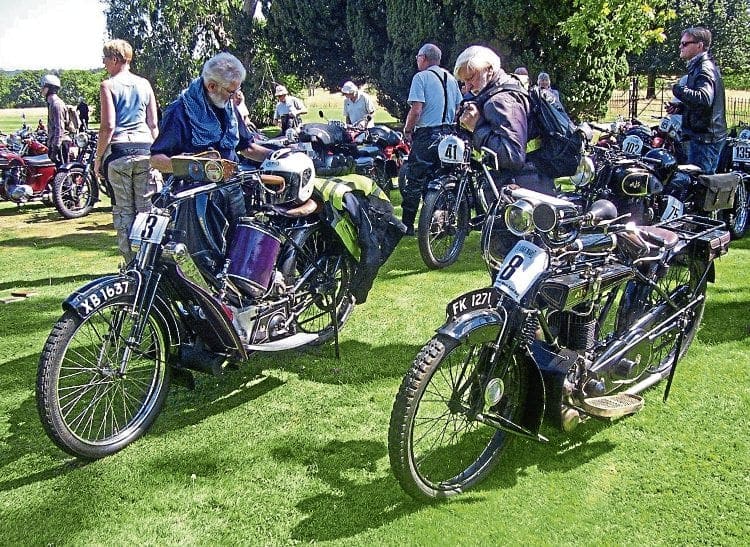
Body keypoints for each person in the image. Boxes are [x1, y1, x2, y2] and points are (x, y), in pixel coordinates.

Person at [150, 52, 272, 230]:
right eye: (231, 92)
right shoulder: (180, 111)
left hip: (232, 189)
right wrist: (192, 166)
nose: (235, 97)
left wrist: (278, 157)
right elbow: (156, 159)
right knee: (201, 257)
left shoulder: (228, 107)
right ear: (212, 86)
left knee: (239, 249)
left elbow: (247, 148)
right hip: (195, 198)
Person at [454, 45, 553, 195]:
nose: (467, 87)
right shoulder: (493, 94)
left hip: (524, 187)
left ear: (489, 70)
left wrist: (476, 127)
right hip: (524, 181)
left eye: (470, 78)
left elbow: (512, 156)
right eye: (463, 82)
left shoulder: (501, 100)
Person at [93, 39, 159, 262]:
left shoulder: (108, 86)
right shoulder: (145, 84)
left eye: (105, 59)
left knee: (123, 211)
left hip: (120, 150)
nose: (103, 64)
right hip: (145, 149)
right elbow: (153, 124)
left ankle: (131, 264)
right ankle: (148, 261)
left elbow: (108, 126)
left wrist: (98, 157)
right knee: (145, 209)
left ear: (114, 59)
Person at [400, 43, 463, 235]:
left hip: (427, 135)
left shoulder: (421, 78)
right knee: (444, 177)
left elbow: (416, 109)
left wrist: (408, 130)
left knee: (415, 179)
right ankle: (442, 220)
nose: (417, 60)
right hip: (449, 134)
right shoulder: (451, 79)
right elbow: (460, 107)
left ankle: (407, 225)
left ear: (424, 58)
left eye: (418, 57)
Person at [667, 26, 727, 174]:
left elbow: (704, 99)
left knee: (700, 185)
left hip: (705, 139)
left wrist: (678, 89)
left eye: (685, 43)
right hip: (702, 136)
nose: (680, 46)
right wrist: (681, 108)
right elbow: (702, 105)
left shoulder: (704, 68)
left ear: (699, 45)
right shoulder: (698, 66)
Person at [41, 74, 65, 166]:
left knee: (62, 173)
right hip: (55, 142)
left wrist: (55, 147)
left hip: (60, 143)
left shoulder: (56, 104)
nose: (41, 90)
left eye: (43, 87)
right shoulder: (51, 103)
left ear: (49, 88)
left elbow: (60, 127)